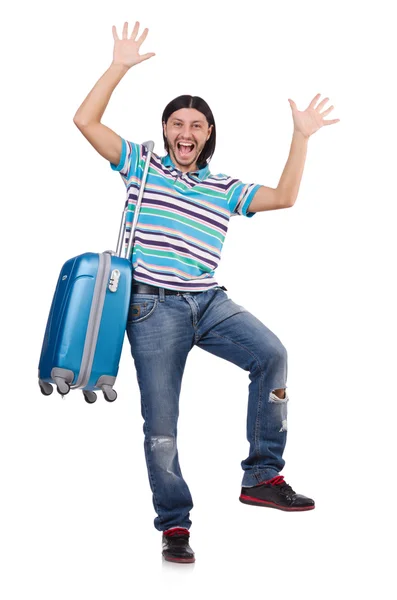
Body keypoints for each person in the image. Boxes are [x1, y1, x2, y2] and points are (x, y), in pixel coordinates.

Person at [73, 21, 339, 564]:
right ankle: (174, 526)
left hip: (210, 302)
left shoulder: (224, 188)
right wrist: (119, 65)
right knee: (162, 425)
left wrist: (301, 136)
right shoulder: (142, 165)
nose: (186, 131)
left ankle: (263, 476)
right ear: (166, 131)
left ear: (209, 134)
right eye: (177, 123)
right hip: (152, 309)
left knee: (272, 355)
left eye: (197, 124)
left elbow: (285, 197)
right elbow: (85, 120)